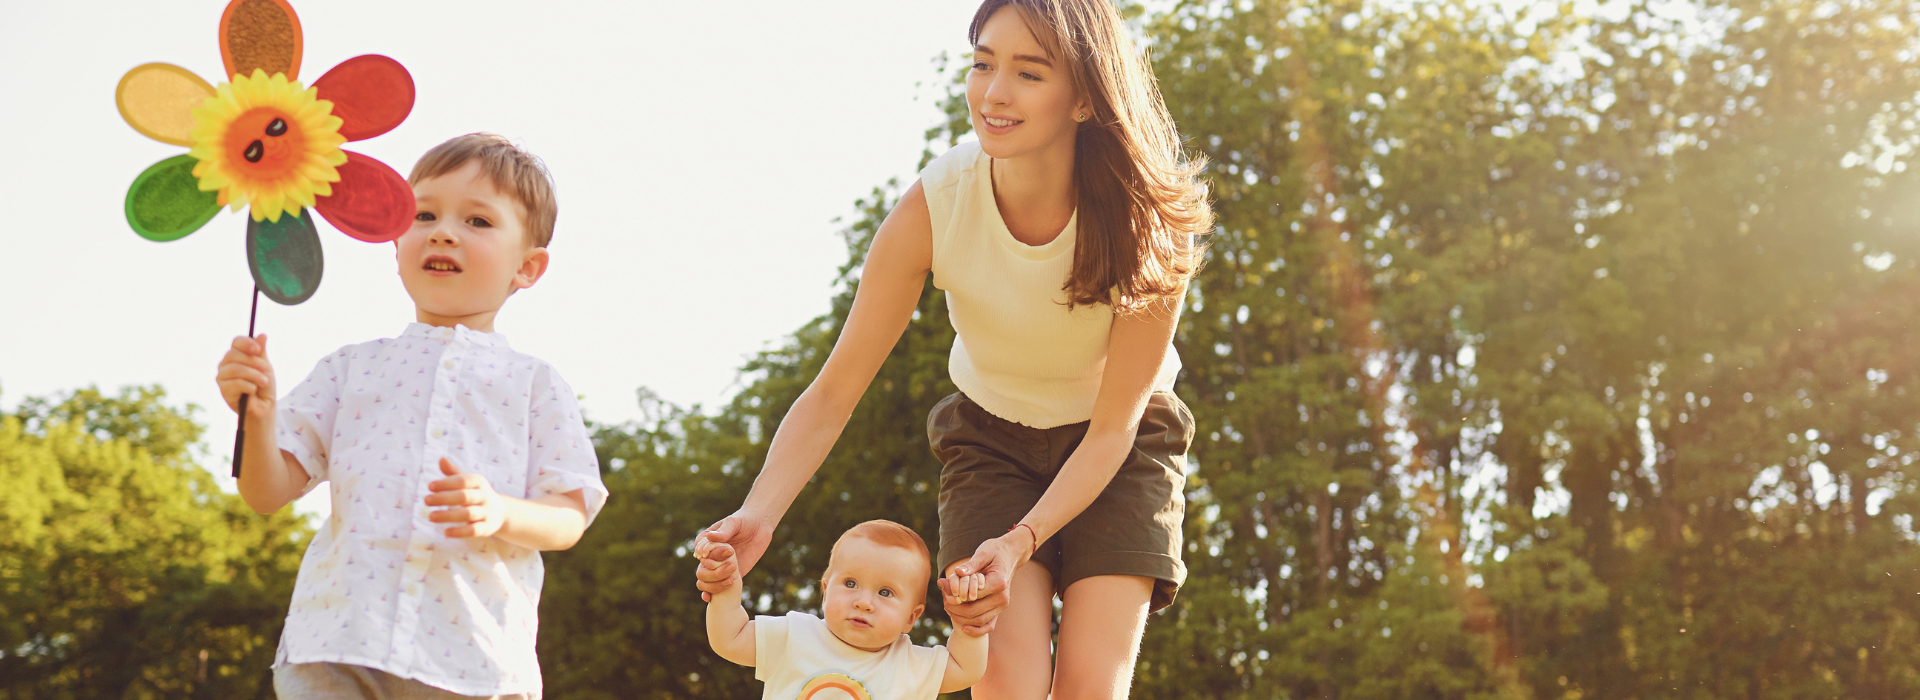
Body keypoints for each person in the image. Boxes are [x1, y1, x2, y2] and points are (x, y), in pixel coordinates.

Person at [693, 1, 1211, 696]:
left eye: (1029, 73)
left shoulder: (1144, 228)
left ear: (1085, 97)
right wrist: (758, 514)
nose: (994, 93)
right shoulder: (937, 204)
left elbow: (1115, 426)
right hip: (992, 442)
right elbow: (835, 390)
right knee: (1005, 683)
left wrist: (1021, 540)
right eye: (982, 64)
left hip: (1120, 448)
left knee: (1089, 686)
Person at [214, 133, 608, 699]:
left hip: (470, 659)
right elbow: (265, 491)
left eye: (478, 221)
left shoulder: (535, 385)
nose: (443, 231)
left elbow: (568, 517)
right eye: (423, 214)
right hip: (337, 643)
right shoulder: (350, 368)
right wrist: (257, 416)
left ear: (527, 267)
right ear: (393, 244)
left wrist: (499, 511)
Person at [700, 520, 990, 699]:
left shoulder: (909, 664)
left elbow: (966, 669)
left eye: (885, 592)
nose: (863, 602)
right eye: (850, 583)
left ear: (911, 618)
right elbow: (731, 638)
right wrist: (725, 588)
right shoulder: (795, 636)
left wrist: (969, 616)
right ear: (825, 592)